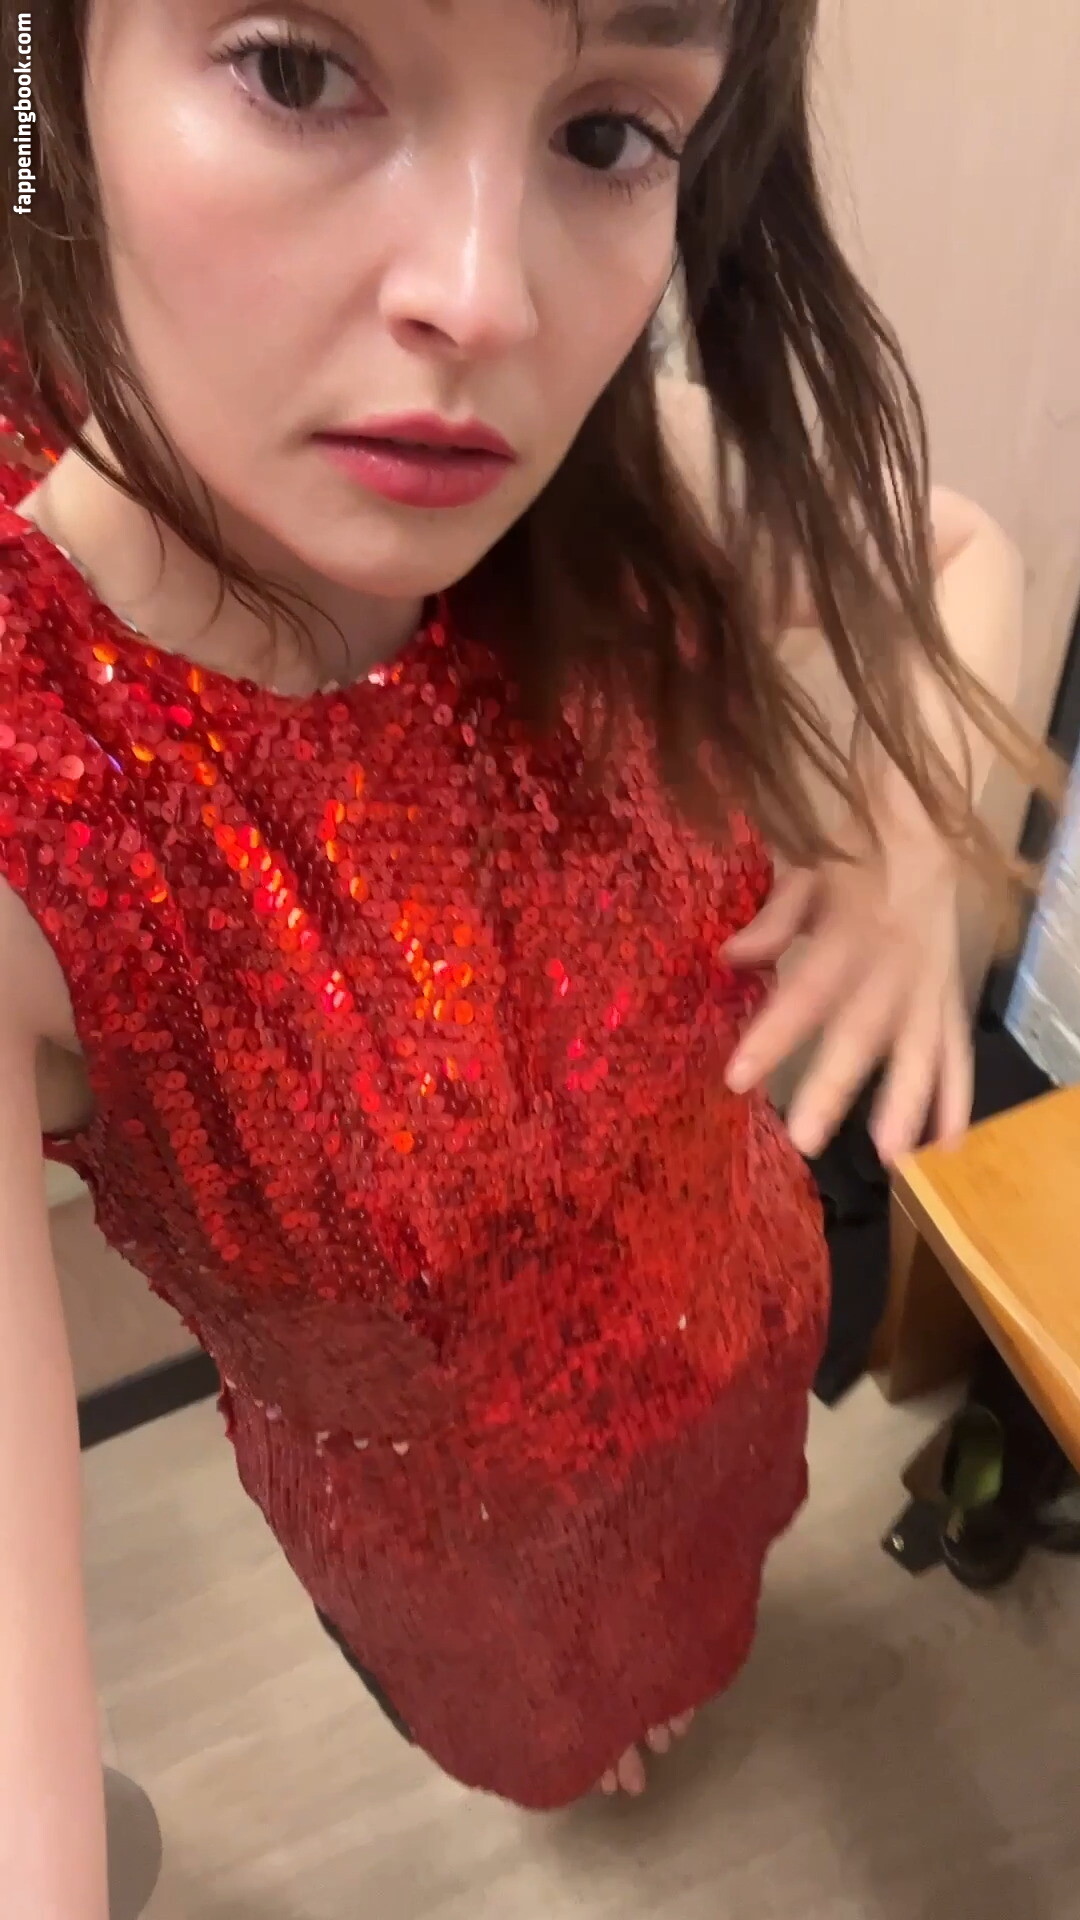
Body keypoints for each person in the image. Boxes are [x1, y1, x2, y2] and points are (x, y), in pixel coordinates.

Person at [0, 0, 1052, 1913]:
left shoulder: (606, 491)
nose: (486, 302)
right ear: (48, 71)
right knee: (555, 1720)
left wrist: (914, 864)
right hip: (454, 1537)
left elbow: (963, 558)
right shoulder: (31, 782)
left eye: (606, 134)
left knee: (696, 1618)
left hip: (731, 1324)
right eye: (298, 71)